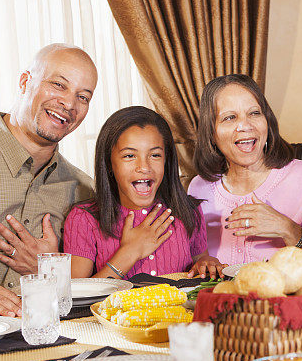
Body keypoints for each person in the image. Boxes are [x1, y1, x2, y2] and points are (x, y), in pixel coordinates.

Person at [0, 44, 97, 315]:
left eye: (83, 97)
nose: (69, 104)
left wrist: (49, 271)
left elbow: (90, 285)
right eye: (58, 85)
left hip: (51, 338)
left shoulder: (82, 189)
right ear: (25, 82)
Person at [187, 74, 302, 267]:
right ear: (211, 133)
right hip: (221, 296)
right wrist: (202, 263)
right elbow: (194, 258)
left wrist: (287, 228)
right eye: (230, 117)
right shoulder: (199, 188)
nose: (245, 125)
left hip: (288, 296)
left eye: (254, 113)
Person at [63, 106, 211, 279]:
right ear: (109, 163)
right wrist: (130, 252)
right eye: (129, 156)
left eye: (155, 155)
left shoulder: (189, 210)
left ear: (166, 160)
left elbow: (200, 265)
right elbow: (76, 298)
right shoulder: (84, 219)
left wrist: (207, 264)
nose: (144, 167)